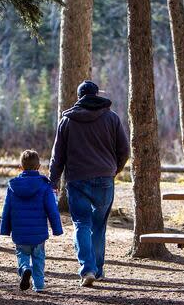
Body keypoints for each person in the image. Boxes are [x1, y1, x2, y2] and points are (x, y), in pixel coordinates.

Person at [49, 80, 129, 287]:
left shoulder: (66, 121)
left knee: (81, 224)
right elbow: (124, 150)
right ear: (96, 95)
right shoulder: (112, 118)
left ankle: (88, 270)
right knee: (99, 226)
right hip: (104, 179)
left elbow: (57, 156)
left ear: (79, 97)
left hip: (77, 180)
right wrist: (114, 169)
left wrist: (53, 180)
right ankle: (98, 270)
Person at [0, 149, 64, 292]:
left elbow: (7, 209)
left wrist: (5, 229)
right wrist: (57, 229)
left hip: (20, 232)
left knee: (22, 254)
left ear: (20, 167)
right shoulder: (44, 186)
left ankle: (24, 269)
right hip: (38, 233)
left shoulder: (13, 187)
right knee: (38, 258)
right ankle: (39, 285)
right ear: (39, 166)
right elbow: (52, 209)